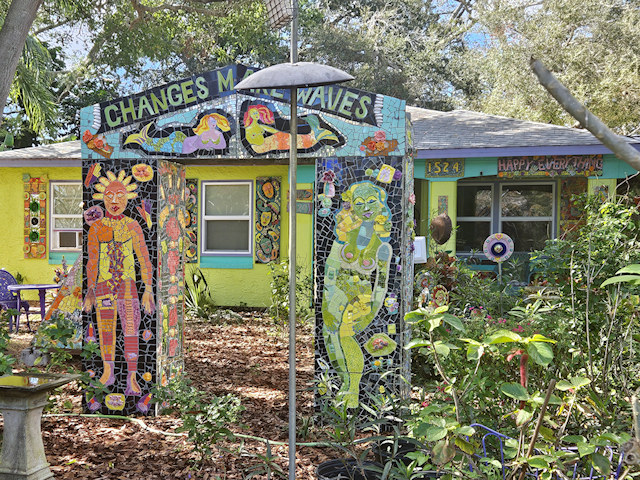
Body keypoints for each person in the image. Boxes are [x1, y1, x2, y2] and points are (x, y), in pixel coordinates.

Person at [321, 180, 393, 408]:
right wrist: (327, 300)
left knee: (345, 337)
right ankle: (345, 385)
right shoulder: (343, 237)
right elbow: (330, 271)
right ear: (352, 206)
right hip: (336, 293)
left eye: (371, 202)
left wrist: (372, 311)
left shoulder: (383, 247)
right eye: (359, 203)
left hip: (360, 297)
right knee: (330, 337)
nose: (366, 207)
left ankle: (351, 389)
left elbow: (381, 284)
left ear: (380, 206)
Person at [83, 169, 155, 396]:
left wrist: (148, 289)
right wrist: (90, 290)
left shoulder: (132, 225)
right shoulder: (96, 228)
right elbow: (92, 261)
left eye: (120, 196)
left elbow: (144, 258)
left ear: (128, 198)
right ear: (102, 198)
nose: (115, 201)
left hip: (127, 288)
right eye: (110, 196)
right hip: (103, 287)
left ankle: (132, 376)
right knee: (106, 330)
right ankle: (108, 371)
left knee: (131, 330)